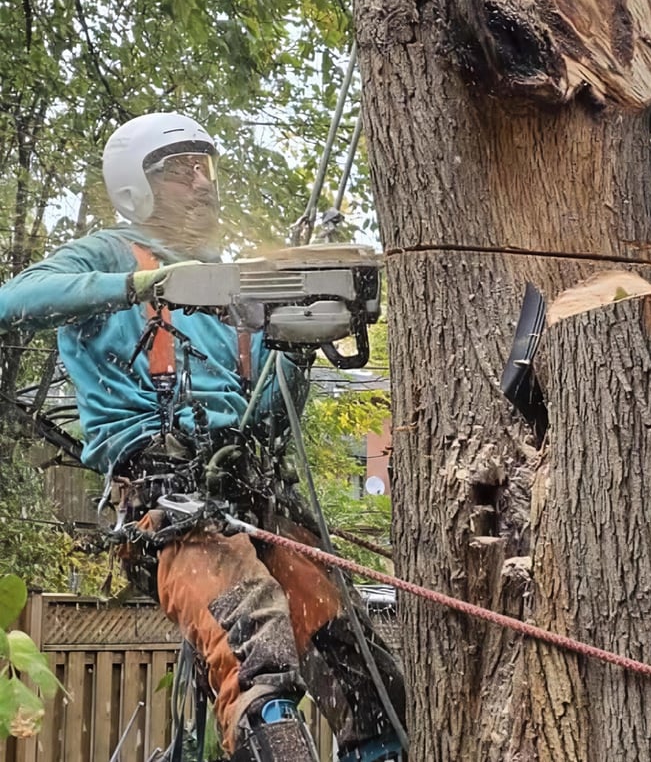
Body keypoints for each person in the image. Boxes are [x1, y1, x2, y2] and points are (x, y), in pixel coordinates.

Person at [0, 112, 405, 761]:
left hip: (248, 492)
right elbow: (14, 299)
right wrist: (142, 284)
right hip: (169, 500)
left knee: (361, 666)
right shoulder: (112, 251)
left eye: (205, 167)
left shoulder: (227, 288)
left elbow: (267, 420)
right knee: (254, 645)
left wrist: (294, 349)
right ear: (139, 187)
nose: (202, 181)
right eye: (182, 170)